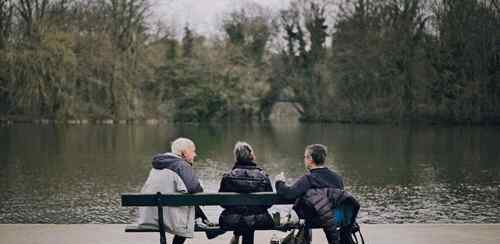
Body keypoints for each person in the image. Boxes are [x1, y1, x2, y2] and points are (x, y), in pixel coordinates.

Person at [137, 137, 209, 244]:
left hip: (151, 215)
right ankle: (207, 224)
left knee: (184, 199)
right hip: (169, 218)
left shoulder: (158, 165)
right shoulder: (181, 165)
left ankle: (205, 221)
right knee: (190, 202)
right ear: (184, 152)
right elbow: (195, 188)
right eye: (193, 151)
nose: (195, 155)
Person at [275, 144, 344, 244]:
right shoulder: (337, 178)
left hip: (315, 219)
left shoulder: (309, 179)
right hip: (335, 219)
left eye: (305, 157)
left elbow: (288, 194)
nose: (304, 160)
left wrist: (279, 182)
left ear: (310, 159)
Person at [218, 142, 274, 244]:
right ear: (252, 156)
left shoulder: (227, 177)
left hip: (232, 220)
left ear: (236, 157)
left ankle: (236, 235)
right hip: (259, 220)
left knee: (243, 217)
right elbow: (268, 203)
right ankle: (237, 235)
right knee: (249, 218)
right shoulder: (263, 177)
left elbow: (222, 202)